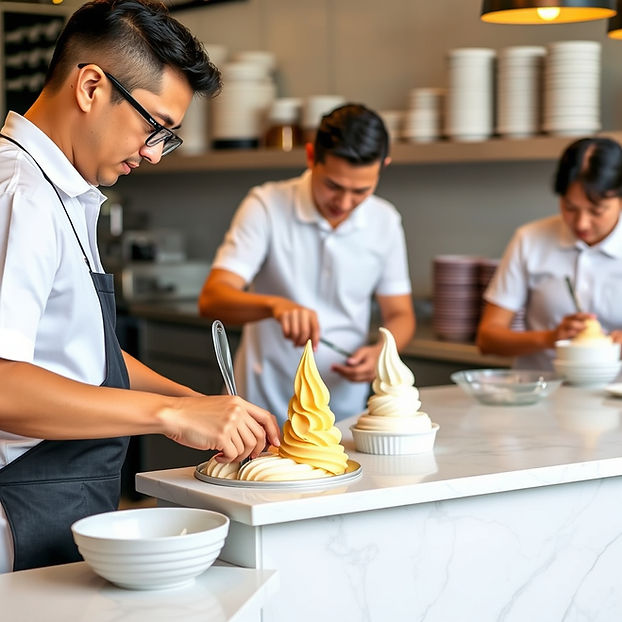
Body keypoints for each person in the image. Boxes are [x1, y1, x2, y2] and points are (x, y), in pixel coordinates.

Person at [0, 0, 279, 573]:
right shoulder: (19, 195)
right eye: (154, 126)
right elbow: (3, 386)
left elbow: (83, 357)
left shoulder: (63, 194)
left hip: (55, 497)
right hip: (16, 510)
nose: (153, 153)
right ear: (91, 87)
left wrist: (195, 402)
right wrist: (166, 416)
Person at [199, 104, 416, 425]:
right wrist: (275, 306)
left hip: (344, 414)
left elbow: (400, 315)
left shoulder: (385, 220)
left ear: (383, 167)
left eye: (361, 191)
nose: (343, 203)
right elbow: (213, 299)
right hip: (262, 410)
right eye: (333, 186)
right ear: (311, 156)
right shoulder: (266, 205)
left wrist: (383, 351)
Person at [477, 137, 622, 370]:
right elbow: (487, 339)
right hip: (542, 393)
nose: (582, 224)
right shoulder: (530, 239)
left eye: (597, 211)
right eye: (570, 207)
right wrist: (550, 338)